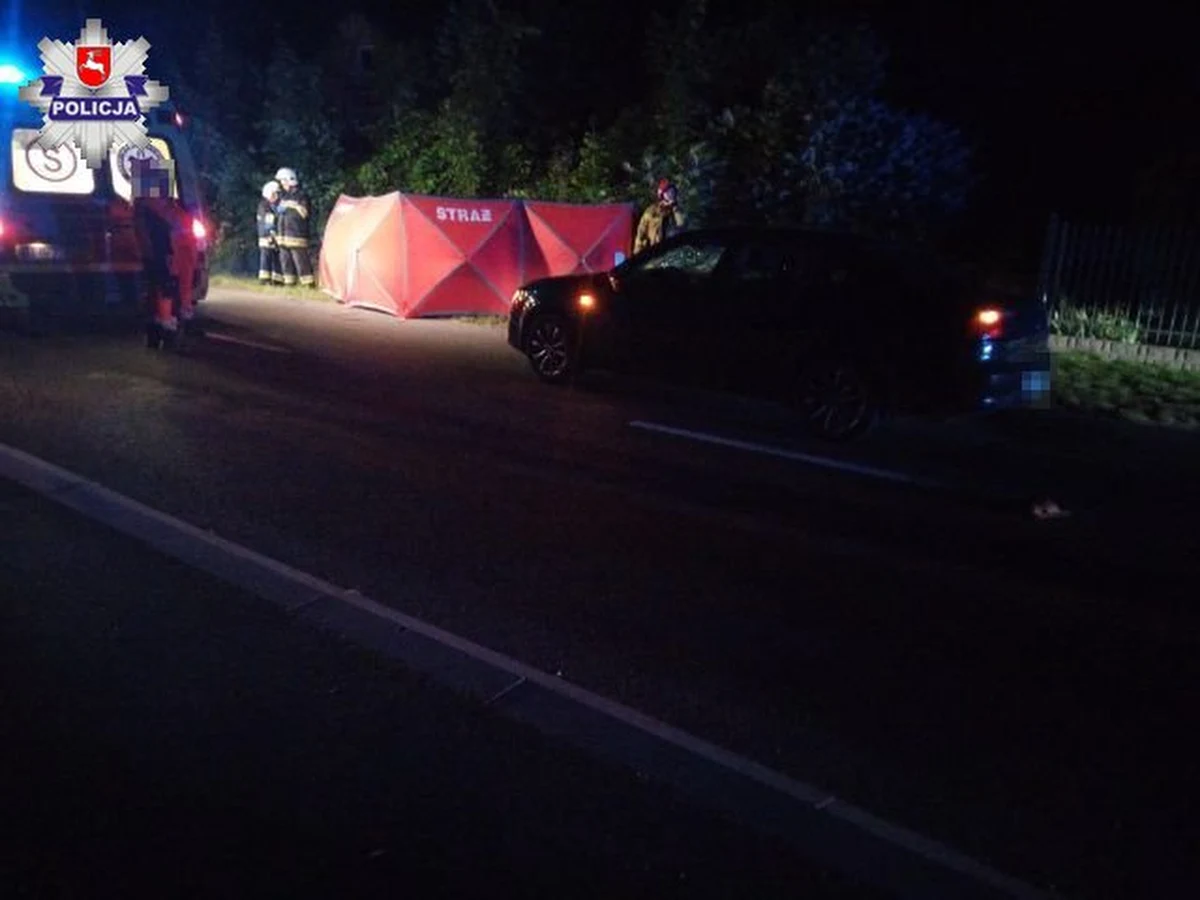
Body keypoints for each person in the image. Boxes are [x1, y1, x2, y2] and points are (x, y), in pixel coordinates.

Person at [131, 157, 193, 348]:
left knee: (158, 291)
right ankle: (166, 325)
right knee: (165, 289)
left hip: (160, 255)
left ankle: (160, 326)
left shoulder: (143, 206)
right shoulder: (155, 207)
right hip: (164, 254)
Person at [274, 167, 315, 287]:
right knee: (285, 260)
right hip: (283, 235)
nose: (282, 184)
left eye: (283, 181)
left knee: (300, 260)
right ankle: (289, 282)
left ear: (289, 180)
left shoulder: (301, 195)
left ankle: (308, 283)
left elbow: (305, 213)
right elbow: (278, 212)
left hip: (296, 234)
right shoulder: (284, 196)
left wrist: (293, 205)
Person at [633, 178, 688, 255]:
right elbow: (641, 235)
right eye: (668, 192)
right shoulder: (652, 212)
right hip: (657, 251)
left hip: (676, 251)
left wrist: (675, 209)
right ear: (661, 194)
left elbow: (683, 227)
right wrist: (638, 254)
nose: (671, 194)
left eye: (672, 191)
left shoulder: (680, 210)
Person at [257, 180, 283, 285]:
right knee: (266, 257)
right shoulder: (264, 205)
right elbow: (268, 221)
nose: (277, 196)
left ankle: (277, 279)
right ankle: (264, 279)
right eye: (275, 194)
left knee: (276, 257)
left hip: (272, 235)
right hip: (266, 236)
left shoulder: (272, 205)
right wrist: (271, 235)